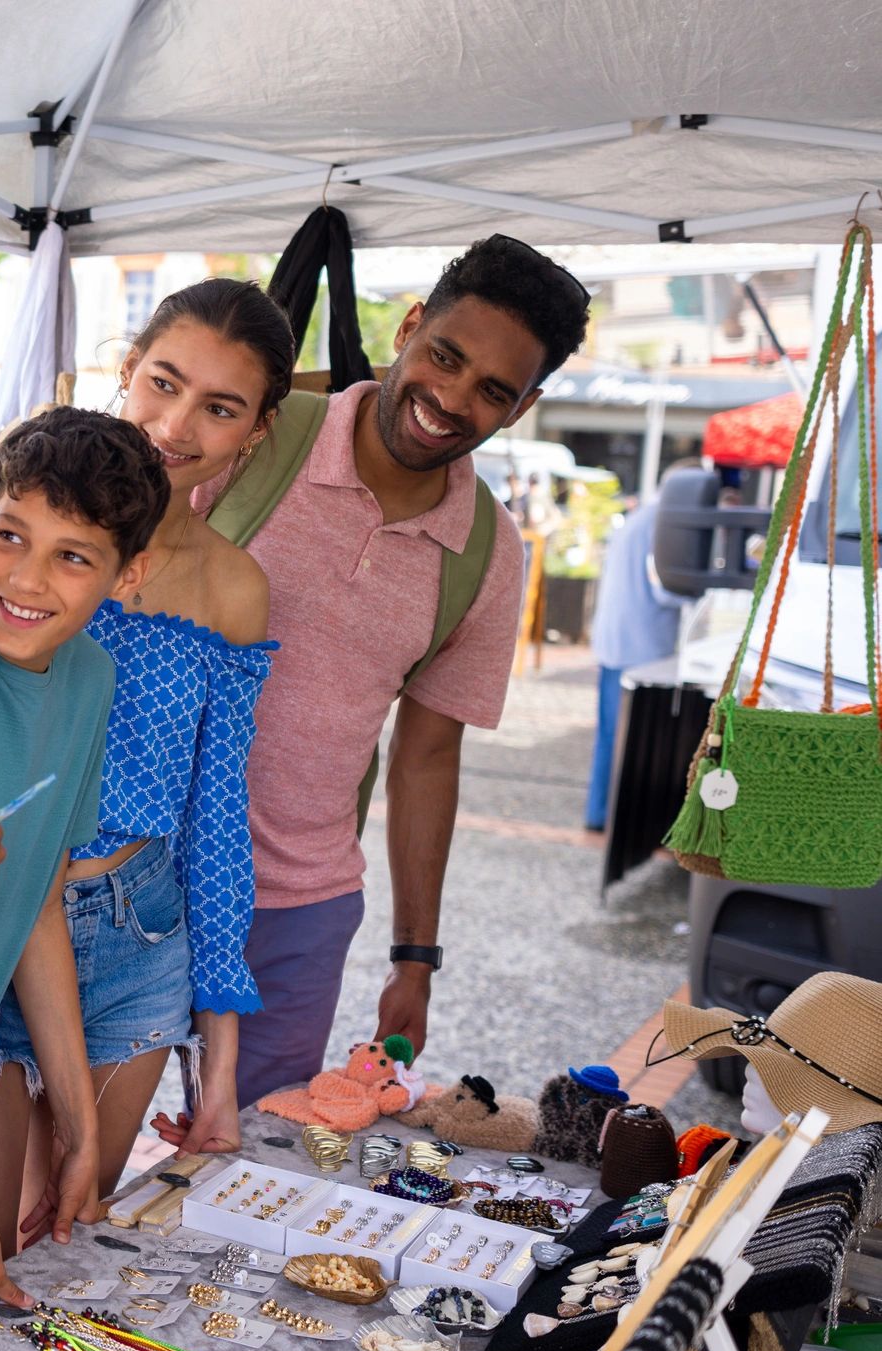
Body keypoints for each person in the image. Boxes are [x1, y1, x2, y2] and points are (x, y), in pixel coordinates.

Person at [177, 234, 589, 1112]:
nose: (450, 399)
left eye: (492, 391)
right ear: (409, 328)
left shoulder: (488, 551)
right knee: (72, 1156)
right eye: (445, 356)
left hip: (300, 912)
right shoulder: (258, 430)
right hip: (140, 872)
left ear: (523, 408)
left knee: (236, 1163)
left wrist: (415, 959)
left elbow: (427, 755)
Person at [0, 278, 290, 1211]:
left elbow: (215, 820)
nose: (176, 424)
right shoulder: (19, 502)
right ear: (126, 372)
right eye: (162, 382)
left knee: (68, 1233)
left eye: (220, 407)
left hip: (136, 935)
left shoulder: (233, 589)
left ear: (257, 431)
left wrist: (221, 1050)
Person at [0, 407, 167, 1314]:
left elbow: (38, 900)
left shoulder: (89, 677)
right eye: (9, 536)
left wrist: (81, 1126)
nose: (26, 577)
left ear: (129, 576)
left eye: (72, 557)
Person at [584, 492, 683, 830]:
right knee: (626, 739)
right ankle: (615, 818)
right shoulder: (664, 523)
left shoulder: (641, 517)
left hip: (617, 640)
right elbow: (663, 588)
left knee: (610, 734)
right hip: (639, 646)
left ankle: (600, 812)